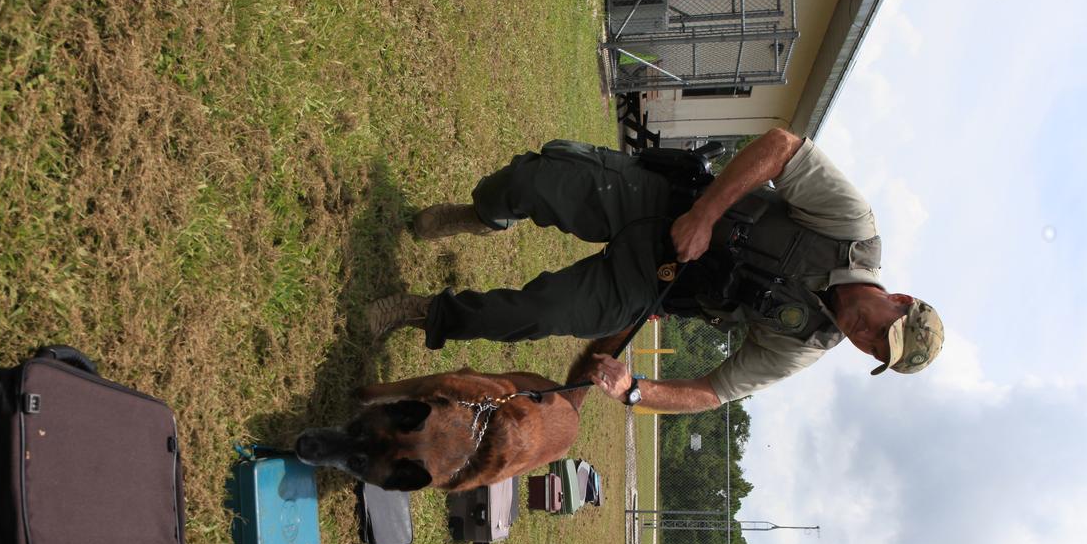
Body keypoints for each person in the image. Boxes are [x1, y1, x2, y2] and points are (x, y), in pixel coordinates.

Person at [366, 128, 943, 413]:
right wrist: (705, 213)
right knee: (531, 182)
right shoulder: (852, 229)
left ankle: (418, 311)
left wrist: (636, 389)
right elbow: (782, 147)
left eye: (874, 353)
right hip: (663, 199)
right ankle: (482, 215)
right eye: (881, 330)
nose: (864, 338)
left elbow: (714, 391)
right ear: (899, 298)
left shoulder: (803, 344)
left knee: (537, 314)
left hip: (654, 280)